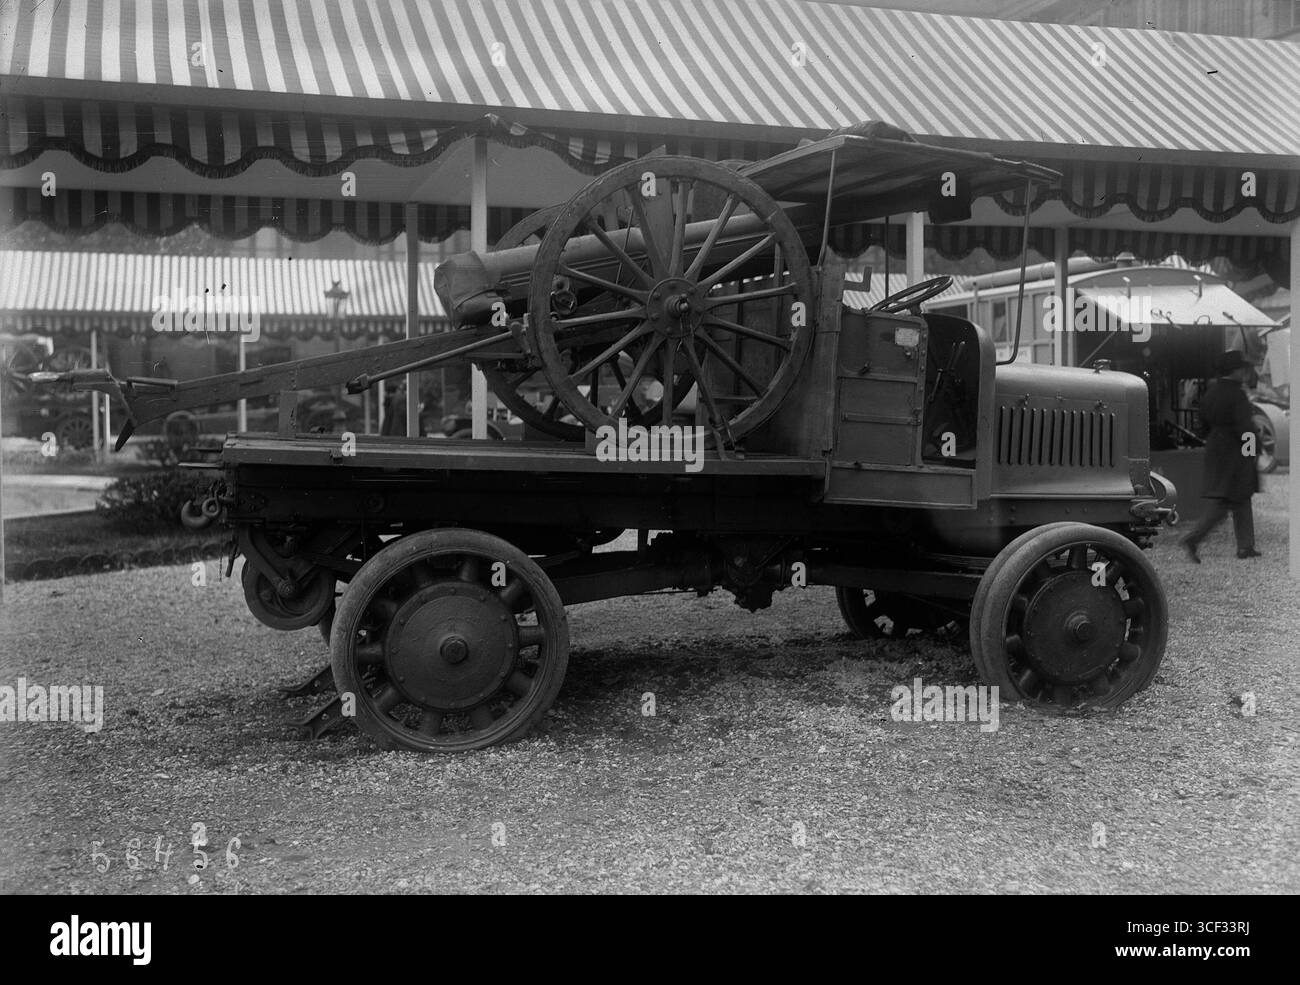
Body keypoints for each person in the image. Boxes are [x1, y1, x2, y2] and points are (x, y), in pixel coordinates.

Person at [1180, 350, 1261, 563]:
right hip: (1236, 451)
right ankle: (1195, 538)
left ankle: (1246, 545)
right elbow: (1245, 428)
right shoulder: (1237, 394)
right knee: (1230, 501)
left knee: (1236, 499)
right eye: (1241, 369)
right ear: (1234, 371)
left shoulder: (1211, 392)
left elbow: (1202, 424)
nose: (1244, 373)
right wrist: (1252, 452)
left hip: (1216, 449)